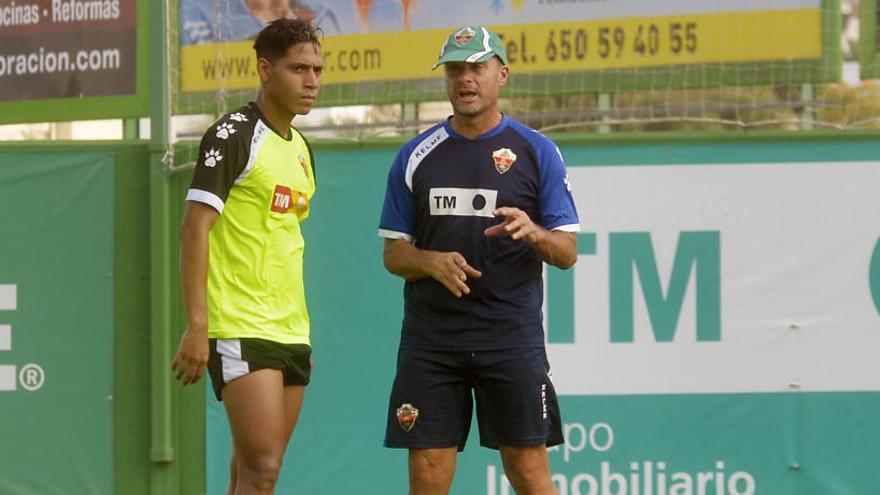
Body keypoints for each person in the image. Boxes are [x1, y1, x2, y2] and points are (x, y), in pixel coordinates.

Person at [378, 25, 580, 495]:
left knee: (527, 471)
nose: (465, 79)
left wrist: (534, 233)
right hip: (433, 340)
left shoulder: (537, 151)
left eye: (477, 68)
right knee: (427, 473)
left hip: (508, 335)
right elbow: (393, 254)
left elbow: (567, 253)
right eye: (455, 70)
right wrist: (429, 261)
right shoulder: (415, 155)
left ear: (501, 75)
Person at [171, 18, 323, 495]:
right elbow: (195, 229)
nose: (312, 81)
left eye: (317, 69)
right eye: (299, 69)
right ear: (264, 69)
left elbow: (283, 239)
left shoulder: (300, 148)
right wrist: (199, 327)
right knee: (263, 469)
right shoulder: (232, 135)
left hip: (291, 331)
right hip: (239, 325)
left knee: (252, 470)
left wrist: (300, 333)